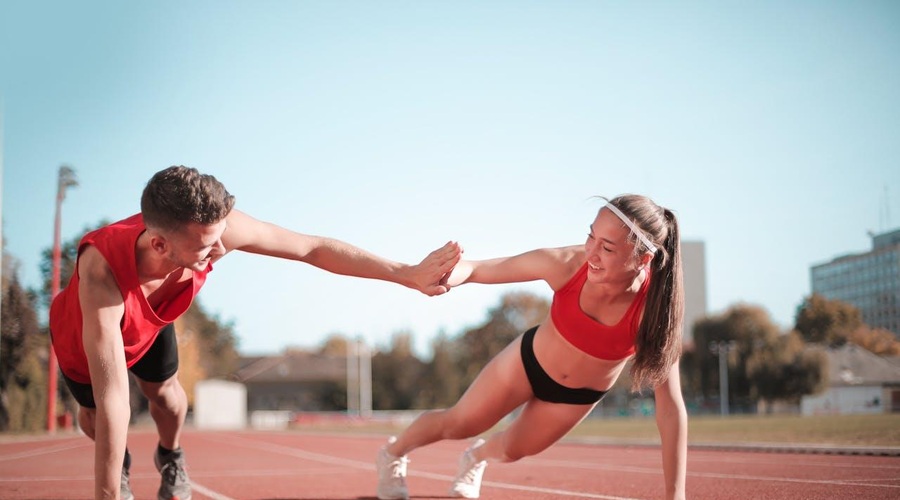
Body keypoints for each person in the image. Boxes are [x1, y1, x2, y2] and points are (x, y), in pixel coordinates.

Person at [49, 165, 462, 500]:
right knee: (98, 416)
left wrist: (404, 274)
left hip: (152, 321)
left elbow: (311, 248)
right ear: (159, 246)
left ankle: (170, 456)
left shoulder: (215, 231)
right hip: (83, 337)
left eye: (218, 238)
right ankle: (120, 468)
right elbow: (115, 398)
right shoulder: (101, 273)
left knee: (170, 400)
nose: (220, 250)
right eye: (207, 247)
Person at [376, 194, 687, 500]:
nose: (591, 252)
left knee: (513, 450)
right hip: (527, 364)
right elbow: (477, 269)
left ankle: (475, 458)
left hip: (576, 397)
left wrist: (676, 495)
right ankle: (393, 454)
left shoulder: (655, 311)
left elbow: (670, 407)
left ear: (643, 258)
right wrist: (444, 275)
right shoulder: (567, 264)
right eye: (590, 237)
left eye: (606, 248)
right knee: (460, 423)